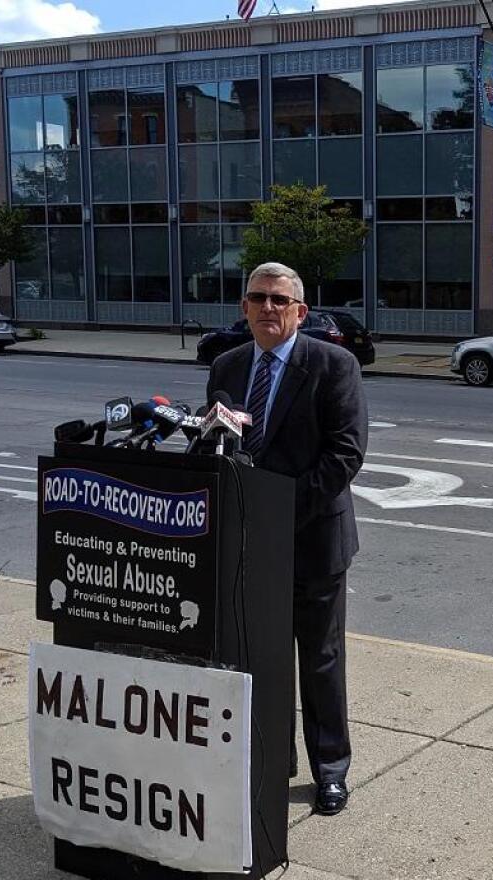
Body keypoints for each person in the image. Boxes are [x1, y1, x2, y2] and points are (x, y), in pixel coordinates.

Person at [206, 261, 367, 815]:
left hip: (313, 541)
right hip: (249, 548)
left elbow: (345, 456)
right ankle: (271, 761)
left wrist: (280, 513)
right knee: (258, 659)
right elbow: (220, 449)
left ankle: (330, 770)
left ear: (300, 311)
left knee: (319, 661)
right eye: (258, 298)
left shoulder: (333, 365)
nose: (268, 308)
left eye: (280, 300)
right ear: (243, 308)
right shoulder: (226, 367)